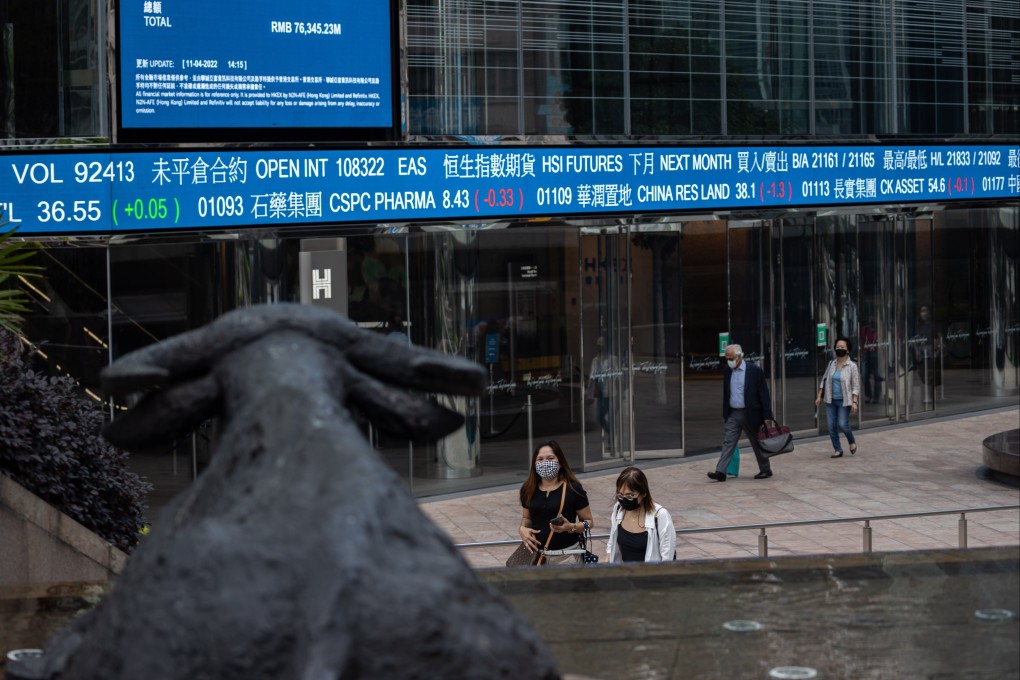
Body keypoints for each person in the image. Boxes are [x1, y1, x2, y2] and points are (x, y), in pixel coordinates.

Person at [516, 440, 595, 565]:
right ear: (534, 463)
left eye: (550, 458)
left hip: (566, 558)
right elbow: (527, 517)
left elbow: (588, 523)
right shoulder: (528, 489)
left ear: (560, 463)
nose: (545, 463)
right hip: (537, 558)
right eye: (540, 459)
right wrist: (522, 529)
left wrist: (570, 527)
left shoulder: (573, 489)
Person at [708, 344, 775, 482]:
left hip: (750, 413)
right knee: (728, 442)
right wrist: (725, 413)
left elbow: (764, 394)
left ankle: (765, 469)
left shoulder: (754, 371)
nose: (729, 361)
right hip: (733, 412)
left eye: (731, 358)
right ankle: (720, 471)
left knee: (756, 442)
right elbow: (726, 393)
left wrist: (767, 416)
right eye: (727, 358)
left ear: (739, 357)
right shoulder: (728, 371)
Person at [606, 467, 676, 563]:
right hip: (625, 575)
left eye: (630, 496)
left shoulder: (660, 515)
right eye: (620, 495)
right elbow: (612, 543)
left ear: (643, 493)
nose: (624, 500)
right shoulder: (618, 509)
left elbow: (667, 557)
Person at [815, 336, 861, 458]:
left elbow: (856, 386)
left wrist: (855, 401)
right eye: (838, 347)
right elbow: (824, 380)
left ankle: (851, 441)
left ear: (848, 350)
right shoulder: (831, 363)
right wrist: (819, 396)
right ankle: (838, 449)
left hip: (844, 401)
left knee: (842, 424)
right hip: (830, 400)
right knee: (831, 426)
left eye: (842, 347)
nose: (839, 349)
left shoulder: (852, 366)